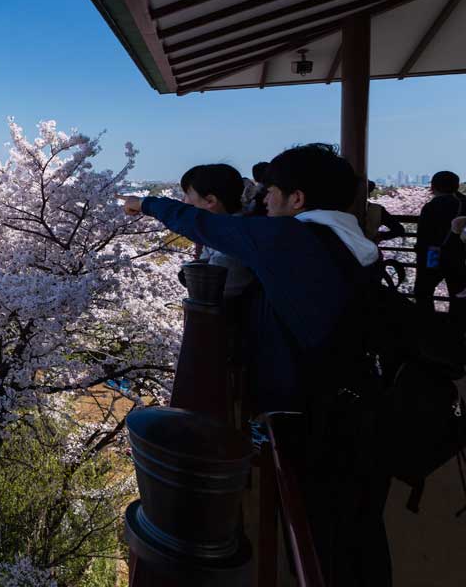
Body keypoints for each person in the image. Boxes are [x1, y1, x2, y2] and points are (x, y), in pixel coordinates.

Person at [121, 143, 390, 586]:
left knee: (322, 540)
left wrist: (146, 203)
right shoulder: (352, 241)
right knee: (360, 536)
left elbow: (209, 226)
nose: (264, 200)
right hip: (363, 402)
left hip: (316, 415)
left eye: (272, 191)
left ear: (297, 199)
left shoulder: (289, 239)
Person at [179, 163, 254, 297]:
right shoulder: (223, 229)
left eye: (187, 194)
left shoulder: (232, 238)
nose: (184, 201)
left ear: (210, 201)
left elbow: (212, 288)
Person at [414, 170, 466, 312]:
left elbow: (424, 236)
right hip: (456, 255)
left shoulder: (431, 206)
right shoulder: (462, 204)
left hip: (433, 255)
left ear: (434, 187)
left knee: (423, 292)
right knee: (458, 293)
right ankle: (457, 328)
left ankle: (428, 326)